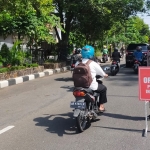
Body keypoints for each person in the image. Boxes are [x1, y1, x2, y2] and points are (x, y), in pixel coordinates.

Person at [75, 45, 108, 112]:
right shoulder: (93, 63)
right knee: (103, 89)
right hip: (91, 86)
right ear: (92, 53)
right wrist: (105, 75)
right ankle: (101, 105)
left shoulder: (78, 63)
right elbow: (102, 73)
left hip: (78, 86)